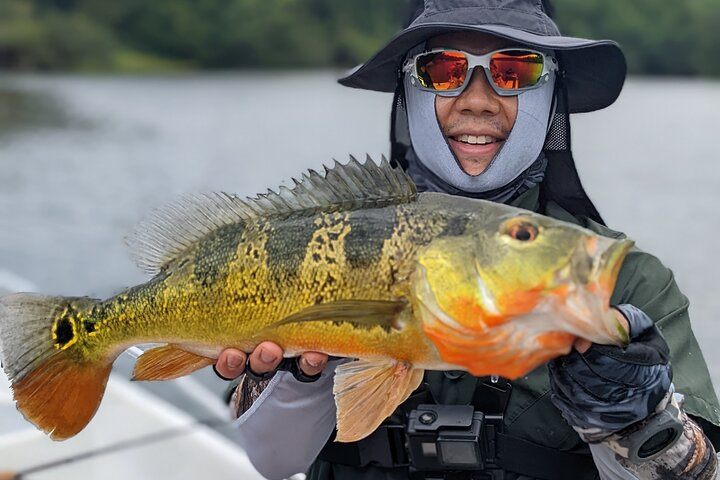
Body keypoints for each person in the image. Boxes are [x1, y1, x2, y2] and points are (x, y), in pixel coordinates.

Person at [214, 1, 720, 478]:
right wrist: (294, 377)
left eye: (515, 71)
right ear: (408, 90)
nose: (477, 100)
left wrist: (637, 419)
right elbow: (274, 461)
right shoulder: (327, 245)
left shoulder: (628, 280)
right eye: (444, 70)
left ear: (551, 96)